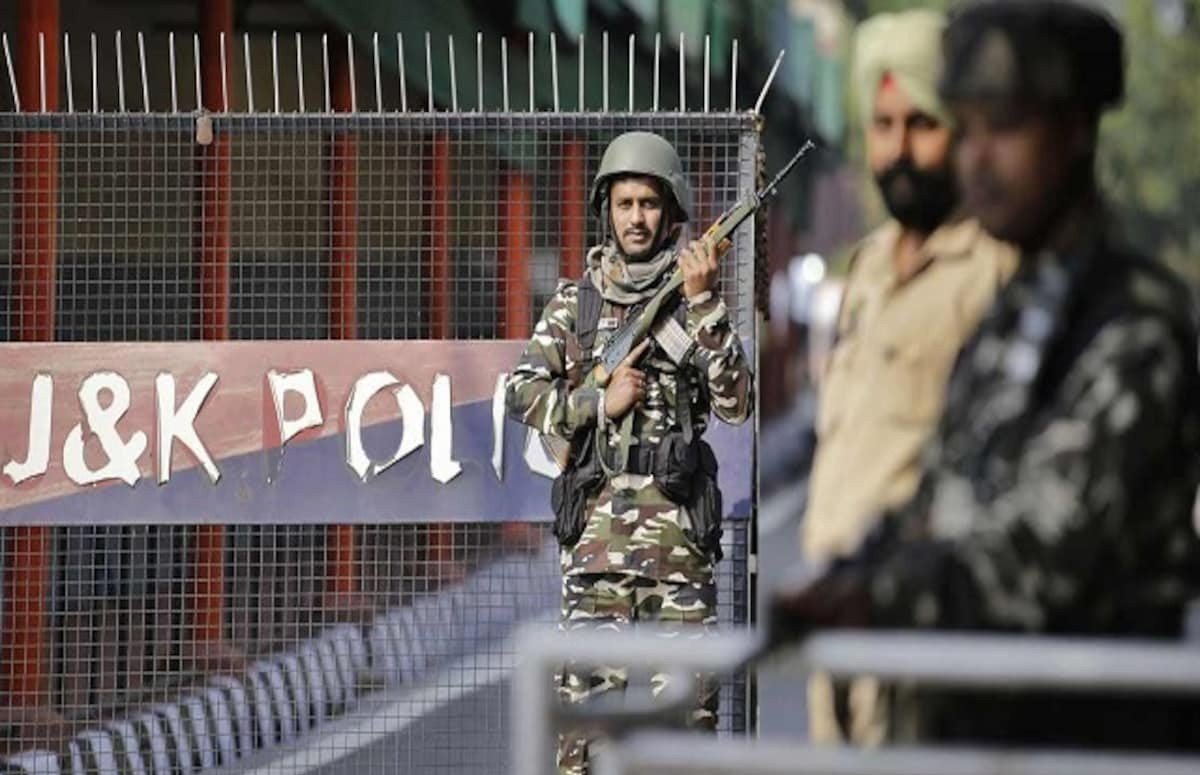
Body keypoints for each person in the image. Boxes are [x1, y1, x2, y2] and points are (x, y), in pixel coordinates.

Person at [773, 0, 1200, 749]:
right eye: (965, 129)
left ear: (1074, 132)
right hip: (967, 732)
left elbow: (1040, 556)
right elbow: (937, 495)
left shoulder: (1133, 323)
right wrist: (849, 569)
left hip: (1082, 744)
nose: (974, 158)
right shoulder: (1019, 307)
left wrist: (874, 593)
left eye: (1003, 128)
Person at [506, 131, 753, 774]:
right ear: (606, 212)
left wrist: (705, 303)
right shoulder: (576, 304)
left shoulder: (696, 303)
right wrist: (598, 402)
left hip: (679, 554)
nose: (636, 218)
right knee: (583, 736)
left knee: (688, 731)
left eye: (649, 203)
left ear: (670, 213)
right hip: (595, 555)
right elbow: (521, 392)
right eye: (624, 204)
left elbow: (735, 403)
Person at [801, 8, 1016, 744]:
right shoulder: (866, 269)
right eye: (883, 125)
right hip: (835, 626)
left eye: (922, 124)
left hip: (923, 641)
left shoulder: (994, 271)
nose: (898, 149)